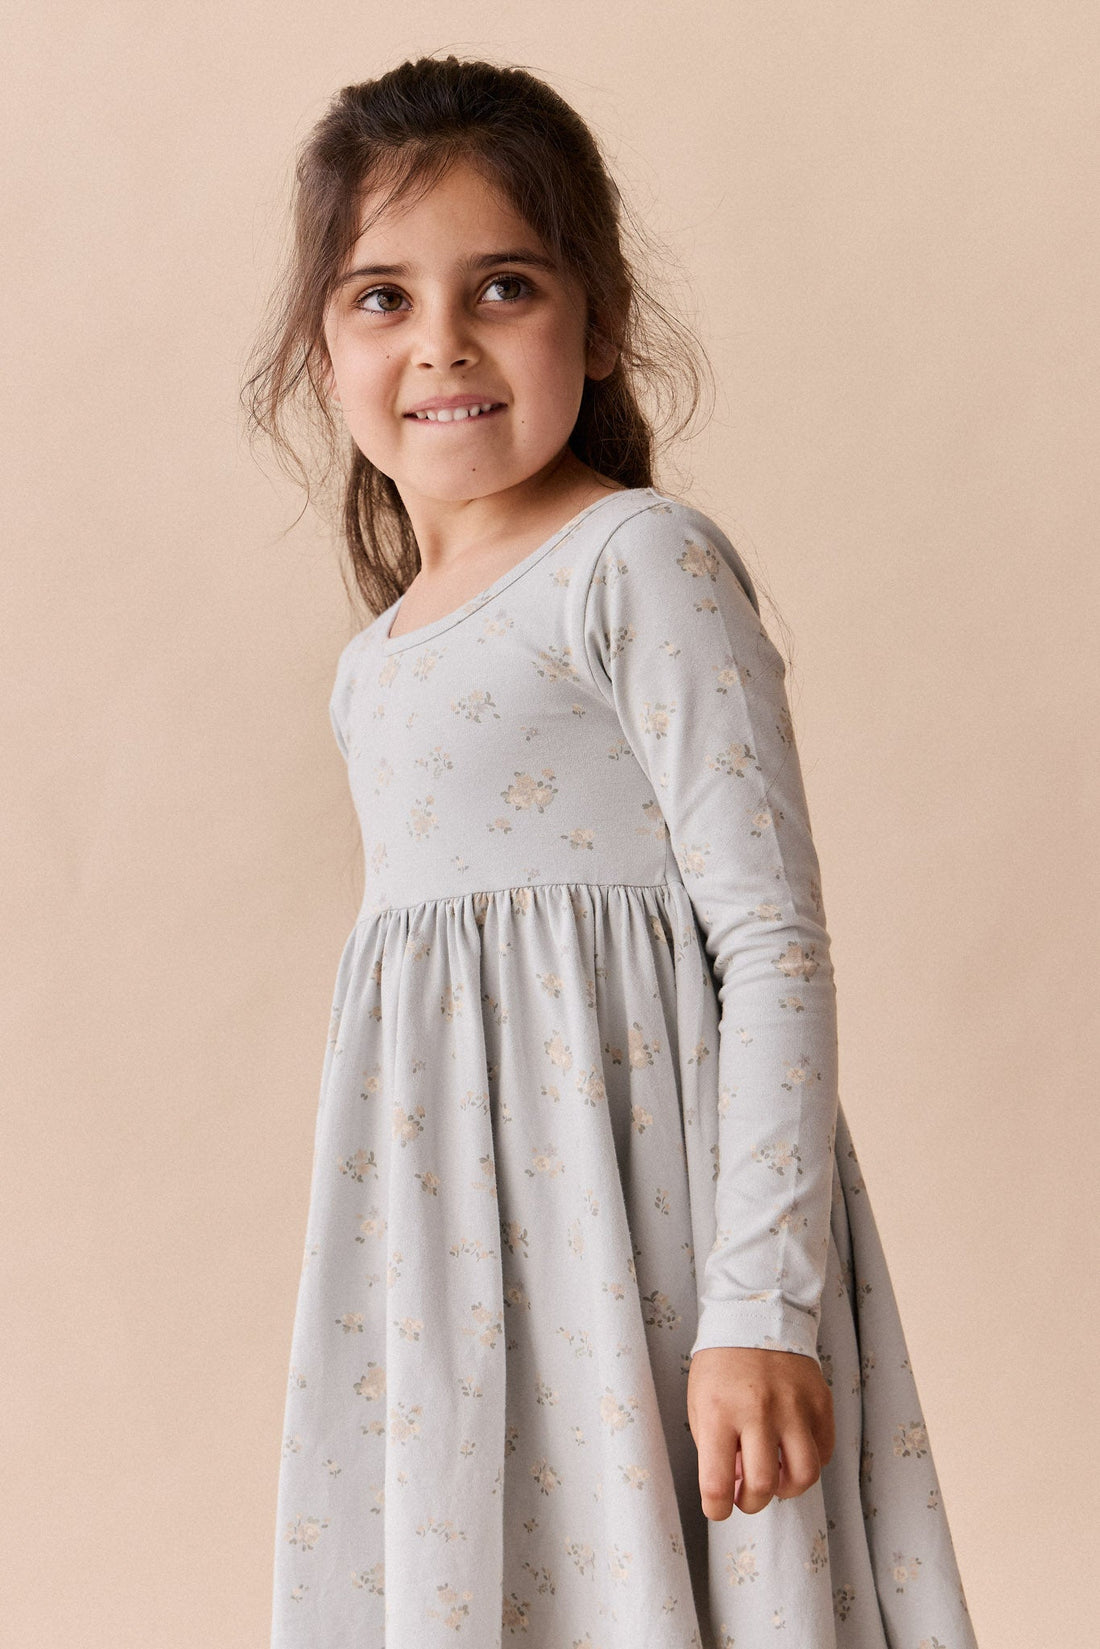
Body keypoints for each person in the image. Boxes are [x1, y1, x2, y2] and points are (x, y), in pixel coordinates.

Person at [243, 52, 979, 1649]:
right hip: (454, 1273)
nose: (442, 341)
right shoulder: (372, 669)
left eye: (502, 285)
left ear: (598, 317)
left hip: (652, 1253)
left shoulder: (639, 562)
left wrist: (760, 1302)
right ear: (322, 344)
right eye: (382, 297)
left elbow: (771, 938)